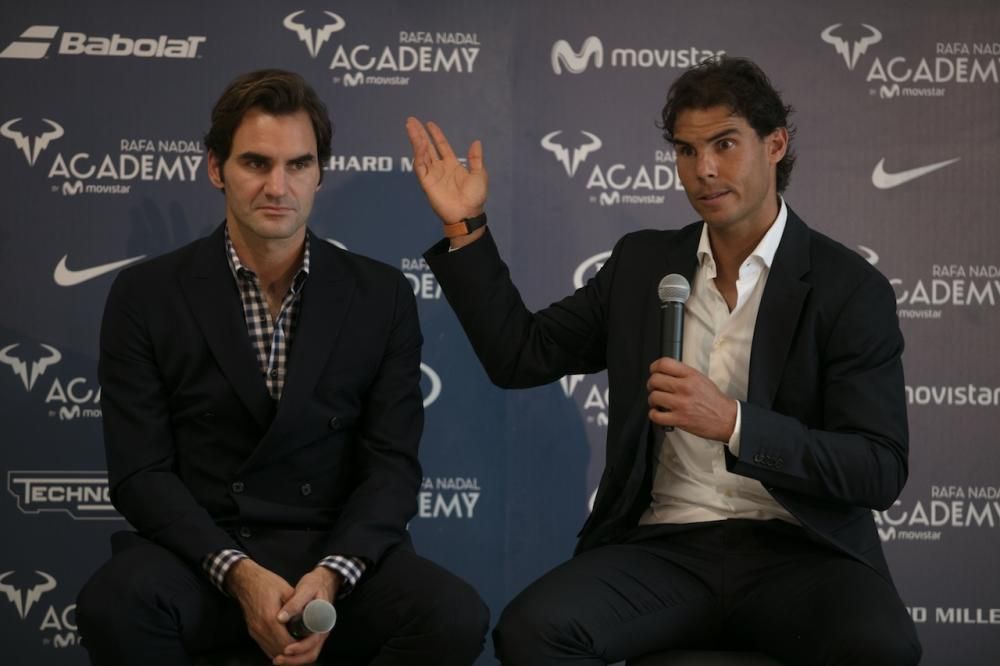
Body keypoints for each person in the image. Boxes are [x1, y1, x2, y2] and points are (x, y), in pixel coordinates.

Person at [406, 56, 921, 665]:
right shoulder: (643, 266)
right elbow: (521, 355)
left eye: (725, 144)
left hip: (802, 552)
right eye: (685, 150)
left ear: (774, 144)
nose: (703, 170)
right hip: (667, 549)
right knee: (532, 630)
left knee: (883, 648)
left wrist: (734, 422)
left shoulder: (848, 287)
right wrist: (464, 226)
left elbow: (878, 469)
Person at [77, 69, 488, 666]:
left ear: (320, 173)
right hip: (204, 558)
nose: (278, 185)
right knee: (114, 604)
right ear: (216, 169)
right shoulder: (146, 294)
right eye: (256, 163)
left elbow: (391, 468)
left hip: (330, 553)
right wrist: (238, 574)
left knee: (453, 614)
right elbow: (141, 474)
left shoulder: (381, 295)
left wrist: (332, 575)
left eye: (299, 164)